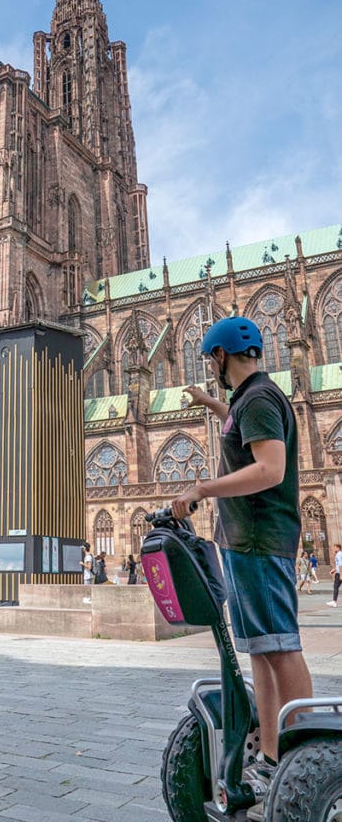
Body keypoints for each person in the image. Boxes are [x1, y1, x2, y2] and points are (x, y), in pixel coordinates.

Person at [171, 316, 312, 789]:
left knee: (281, 648)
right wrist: (209, 402)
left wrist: (202, 489)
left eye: (210, 359)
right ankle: (273, 757)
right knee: (261, 652)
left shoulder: (258, 399)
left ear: (219, 355)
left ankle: (308, 759)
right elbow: (235, 426)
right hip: (246, 542)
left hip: (258, 541)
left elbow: (270, 469)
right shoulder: (248, 400)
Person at [328, 543, 342, 608]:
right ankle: (334, 601)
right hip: (338, 572)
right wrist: (334, 570)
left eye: (334, 547)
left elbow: (340, 565)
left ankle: (334, 601)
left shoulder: (338, 555)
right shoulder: (340, 554)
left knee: (336, 586)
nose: (333, 549)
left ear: (338, 548)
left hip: (339, 573)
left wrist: (341, 574)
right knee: (336, 586)